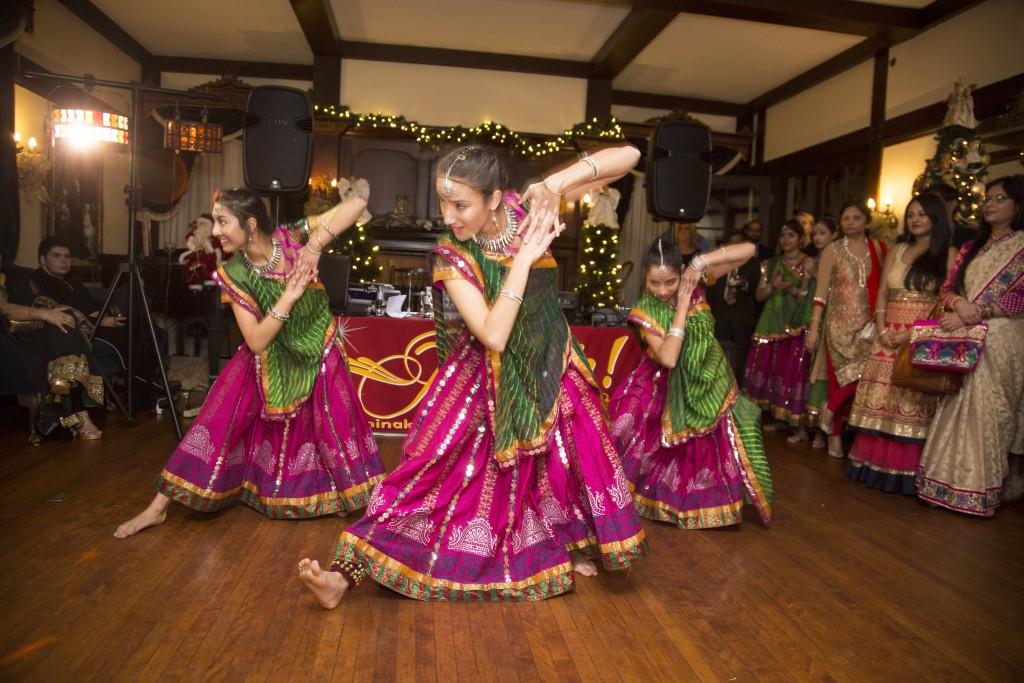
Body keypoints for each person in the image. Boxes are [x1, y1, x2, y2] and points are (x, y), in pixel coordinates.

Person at [297, 145, 648, 606]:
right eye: (444, 203)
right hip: (481, 380)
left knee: (558, 468)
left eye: (460, 204)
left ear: (496, 199)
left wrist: (556, 184)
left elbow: (630, 153)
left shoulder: (528, 209)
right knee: (425, 483)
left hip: (550, 365)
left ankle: (563, 541)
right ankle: (342, 578)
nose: (449, 215)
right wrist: (523, 261)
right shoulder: (452, 255)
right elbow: (494, 335)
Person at [114, 188, 385, 538]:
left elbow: (359, 203)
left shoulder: (292, 238)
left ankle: (380, 511)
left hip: (318, 347)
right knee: (217, 423)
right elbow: (256, 341)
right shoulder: (234, 273)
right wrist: (289, 296)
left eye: (223, 221)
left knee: (336, 426)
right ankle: (156, 509)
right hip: (268, 356)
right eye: (216, 222)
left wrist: (313, 248)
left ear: (251, 223)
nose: (215, 231)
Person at [608, 238, 773, 528]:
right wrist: (682, 306)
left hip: (708, 379)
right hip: (665, 387)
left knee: (713, 444)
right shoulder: (646, 311)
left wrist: (700, 263)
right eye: (653, 283)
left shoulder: (695, 278)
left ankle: (710, 508)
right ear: (644, 278)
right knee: (653, 451)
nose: (662, 290)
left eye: (670, 281)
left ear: (681, 272)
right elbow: (669, 358)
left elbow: (749, 251)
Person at [917, 177, 1024, 516]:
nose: (990, 203)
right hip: (964, 333)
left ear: (1018, 205)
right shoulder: (971, 247)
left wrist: (981, 312)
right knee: (956, 402)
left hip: (1003, 338)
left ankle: (981, 489)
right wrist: (960, 305)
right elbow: (946, 289)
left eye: (1000, 198)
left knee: (993, 409)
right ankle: (944, 484)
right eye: (988, 198)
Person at [846, 194, 955, 493]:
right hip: (887, 337)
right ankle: (871, 468)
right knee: (881, 405)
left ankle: (905, 475)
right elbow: (882, 292)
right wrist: (882, 328)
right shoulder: (898, 248)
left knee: (911, 402)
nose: (915, 219)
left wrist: (910, 334)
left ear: (936, 218)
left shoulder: (948, 253)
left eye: (922, 214)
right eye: (911, 215)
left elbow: (946, 303)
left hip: (920, 338)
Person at [805, 201, 888, 458]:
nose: (850, 222)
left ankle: (829, 411)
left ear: (866, 221)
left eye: (856, 217)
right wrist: (815, 328)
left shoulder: (880, 248)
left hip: (869, 326)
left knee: (866, 376)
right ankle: (835, 438)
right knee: (839, 379)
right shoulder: (833, 249)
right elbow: (821, 292)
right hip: (838, 326)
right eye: (846, 218)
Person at [1, 254, 104, 441]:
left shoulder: (14, 278)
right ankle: (80, 413)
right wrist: (44, 314)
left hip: (34, 327)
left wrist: (51, 312)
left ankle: (63, 380)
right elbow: (3, 308)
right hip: (10, 333)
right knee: (59, 326)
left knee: (63, 320)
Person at [744, 219, 816, 442]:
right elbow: (758, 296)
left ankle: (799, 426)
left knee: (793, 370)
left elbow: (809, 296)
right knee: (772, 369)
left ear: (801, 239)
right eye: (783, 236)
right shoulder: (770, 263)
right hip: (770, 322)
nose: (786, 240)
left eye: (791, 236)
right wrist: (773, 287)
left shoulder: (809, 263)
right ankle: (778, 417)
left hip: (796, 323)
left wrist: (791, 288)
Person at [804, 217, 840, 450]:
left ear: (834, 234)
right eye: (815, 233)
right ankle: (813, 429)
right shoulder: (814, 258)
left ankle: (827, 431)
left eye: (823, 233)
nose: (818, 238)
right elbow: (808, 292)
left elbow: (833, 288)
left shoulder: (837, 257)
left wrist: (816, 272)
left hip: (833, 318)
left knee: (827, 375)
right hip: (812, 315)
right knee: (812, 374)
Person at [706, 229, 759, 381]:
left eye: (739, 243)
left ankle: (738, 387)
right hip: (721, 316)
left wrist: (745, 283)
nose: (735, 246)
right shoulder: (718, 265)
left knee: (741, 355)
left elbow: (756, 288)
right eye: (731, 243)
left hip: (742, 317)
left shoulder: (753, 263)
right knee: (718, 353)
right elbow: (710, 291)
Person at [926, 182, 976, 249]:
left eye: (935, 203)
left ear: (952, 205)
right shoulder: (921, 237)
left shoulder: (973, 237)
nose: (929, 208)